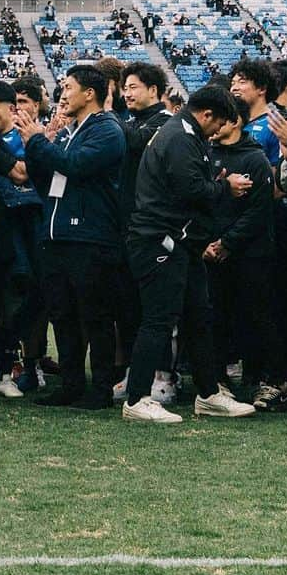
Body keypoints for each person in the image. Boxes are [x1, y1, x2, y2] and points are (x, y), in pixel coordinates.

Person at [123, 83, 256, 423]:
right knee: (159, 319)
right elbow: (192, 190)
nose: (217, 133)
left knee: (199, 317)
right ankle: (136, 398)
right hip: (160, 241)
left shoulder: (187, 135)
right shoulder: (180, 136)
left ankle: (209, 394)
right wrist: (224, 186)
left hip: (184, 242)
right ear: (207, 114)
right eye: (218, 125)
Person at [15, 65, 126, 410]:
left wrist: (36, 140)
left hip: (90, 237)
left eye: (68, 87)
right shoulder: (69, 131)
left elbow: (74, 165)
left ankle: (101, 386)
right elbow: (45, 178)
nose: (62, 94)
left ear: (89, 93)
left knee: (94, 315)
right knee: (62, 315)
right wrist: (33, 147)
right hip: (57, 235)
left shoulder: (107, 130)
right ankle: (72, 383)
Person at [206, 104, 286, 411]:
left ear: (235, 121)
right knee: (217, 318)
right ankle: (218, 380)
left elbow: (258, 211)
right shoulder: (206, 153)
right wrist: (208, 243)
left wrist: (227, 242)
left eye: (218, 118)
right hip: (213, 255)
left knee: (259, 318)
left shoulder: (254, 158)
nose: (213, 124)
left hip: (251, 256)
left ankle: (273, 383)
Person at [0, 80, 43, 399]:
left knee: (22, 297)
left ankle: (23, 365)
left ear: (11, 110)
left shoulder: (22, 137)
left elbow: (23, 173)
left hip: (23, 226)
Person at [114, 62, 173, 404]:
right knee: (131, 306)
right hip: (128, 226)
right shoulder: (132, 122)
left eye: (134, 87)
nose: (127, 93)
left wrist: (108, 114)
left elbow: (135, 142)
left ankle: (164, 375)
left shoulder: (165, 123)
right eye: (125, 87)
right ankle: (137, 374)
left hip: (153, 228)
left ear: (154, 90)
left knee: (156, 308)